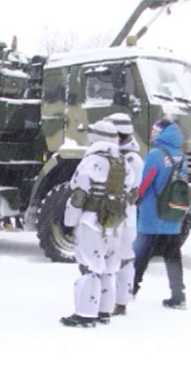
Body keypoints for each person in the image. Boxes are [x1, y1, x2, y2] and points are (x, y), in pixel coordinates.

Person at [60, 119, 128, 327]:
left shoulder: (91, 161)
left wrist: (69, 221)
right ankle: (104, 311)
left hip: (91, 221)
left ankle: (85, 313)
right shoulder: (122, 161)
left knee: (90, 266)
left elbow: (79, 194)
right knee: (108, 268)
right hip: (115, 222)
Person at [132, 119, 189, 309]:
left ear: (162, 133)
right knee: (173, 256)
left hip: (151, 215)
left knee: (140, 255)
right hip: (172, 214)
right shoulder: (180, 156)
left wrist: (135, 199)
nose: (152, 133)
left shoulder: (156, 155)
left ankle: (130, 290)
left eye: (155, 129)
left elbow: (146, 181)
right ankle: (178, 295)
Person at [104, 113, 143, 317]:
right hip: (122, 218)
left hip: (124, 219)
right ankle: (116, 300)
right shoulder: (125, 156)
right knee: (118, 260)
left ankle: (119, 302)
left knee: (121, 261)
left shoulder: (130, 159)